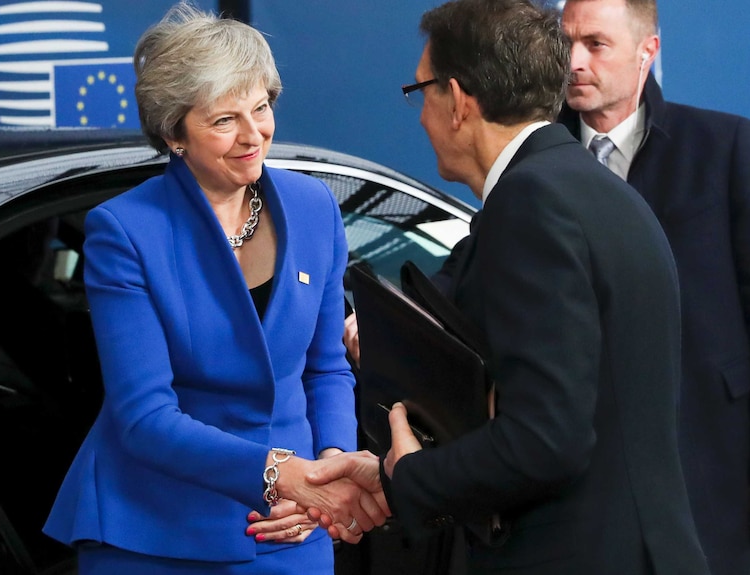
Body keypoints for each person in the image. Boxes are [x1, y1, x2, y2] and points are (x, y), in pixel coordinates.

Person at [311, 0, 711, 573]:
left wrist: (412, 476)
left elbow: (548, 439)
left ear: (459, 101)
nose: (421, 116)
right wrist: (386, 474)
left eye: (420, 92)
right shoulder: (582, 187)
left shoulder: (530, 204)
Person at [42, 3, 388, 573]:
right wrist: (280, 474)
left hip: (290, 530)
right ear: (175, 133)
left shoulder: (314, 208)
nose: (254, 136)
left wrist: (327, 471)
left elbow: (326, 367)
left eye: (262, 107)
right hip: (156, 528)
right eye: (225, 120)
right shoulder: (126, 230)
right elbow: (144, 415)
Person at [557, 2, 750, 573]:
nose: (573, 61)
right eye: (565, 43)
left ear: (649, 51)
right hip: (583, 474)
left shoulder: (724, 147)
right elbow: (478, 259)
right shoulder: (536, 156)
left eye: (595, 44)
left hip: (708, 459)